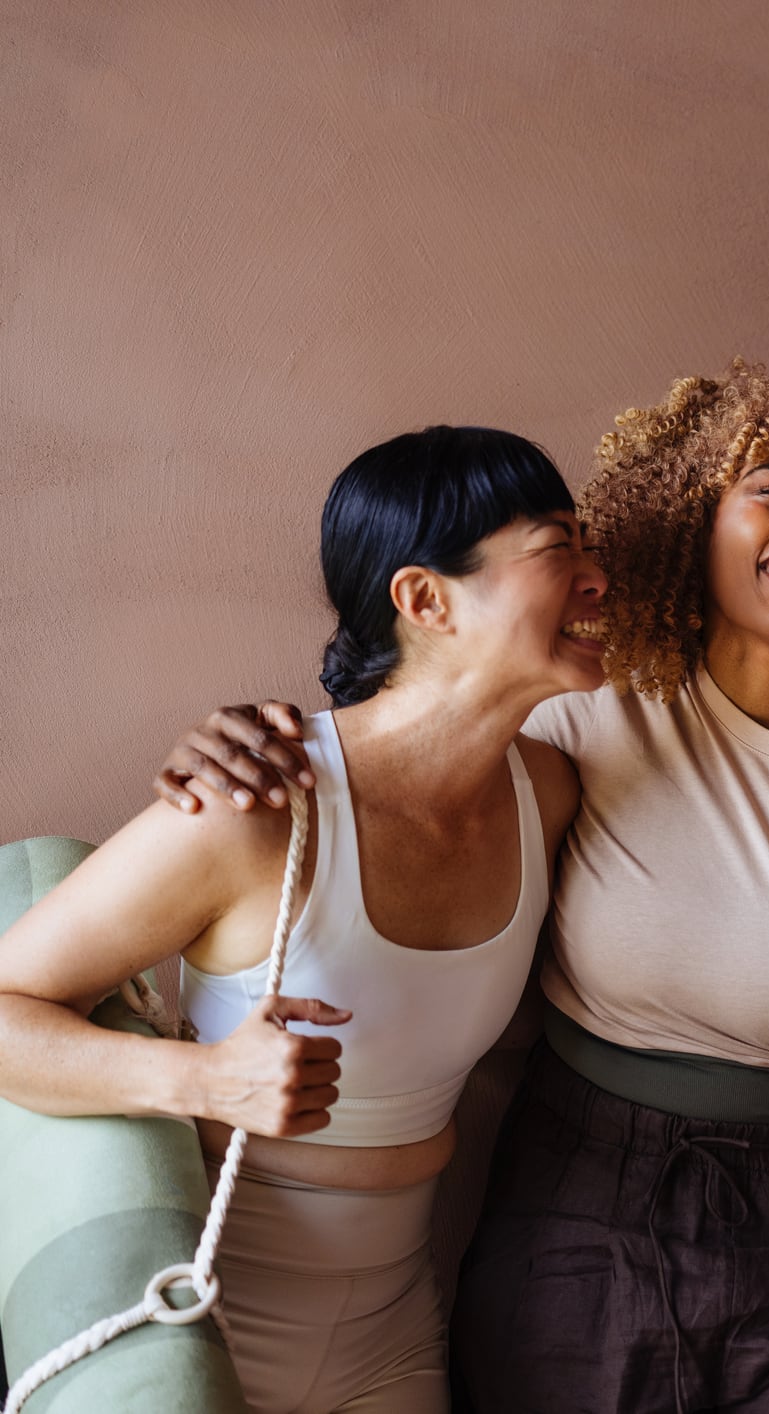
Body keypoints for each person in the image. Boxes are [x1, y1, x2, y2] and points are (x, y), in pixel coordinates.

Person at [155, 362, 769, 1413]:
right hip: (586, 1189)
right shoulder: (579, 713)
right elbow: (410, 739)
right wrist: (243, 736)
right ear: (692, 523)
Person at [0, 426, 602, 1413]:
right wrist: (202, 1078)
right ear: (425, 598)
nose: (596, 578)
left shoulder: (549, 791)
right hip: (209, 1313)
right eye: (556, 547)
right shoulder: (254, 807)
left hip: (399, 1328)